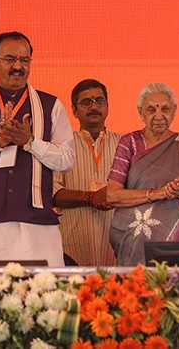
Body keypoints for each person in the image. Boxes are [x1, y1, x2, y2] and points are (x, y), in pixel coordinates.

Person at [0, 31, 74, 266]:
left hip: (37, 227)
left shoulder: (51, 105)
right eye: (10, 59)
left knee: (43, 288)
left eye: (24, 60)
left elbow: (67, 160)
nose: (18, 66)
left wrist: (30, 142)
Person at [106, 82, 179, 266]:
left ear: (174, 111)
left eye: (165, 109)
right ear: (140, 112)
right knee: (138, 283)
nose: (158, 116)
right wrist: (158, 194)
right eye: (151, 109)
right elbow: (112, 195)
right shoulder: (129, 143)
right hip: (134, 236)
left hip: (177, 237)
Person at [52, 79, 120, 266]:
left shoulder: (124, 144)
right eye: (86, 102)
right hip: (73, 246)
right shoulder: (62, 147)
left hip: (115, 247)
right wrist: (90, 197)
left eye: (99, 101)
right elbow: (53, 193)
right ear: (74, 110)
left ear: (107, 107)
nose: (94, 106)